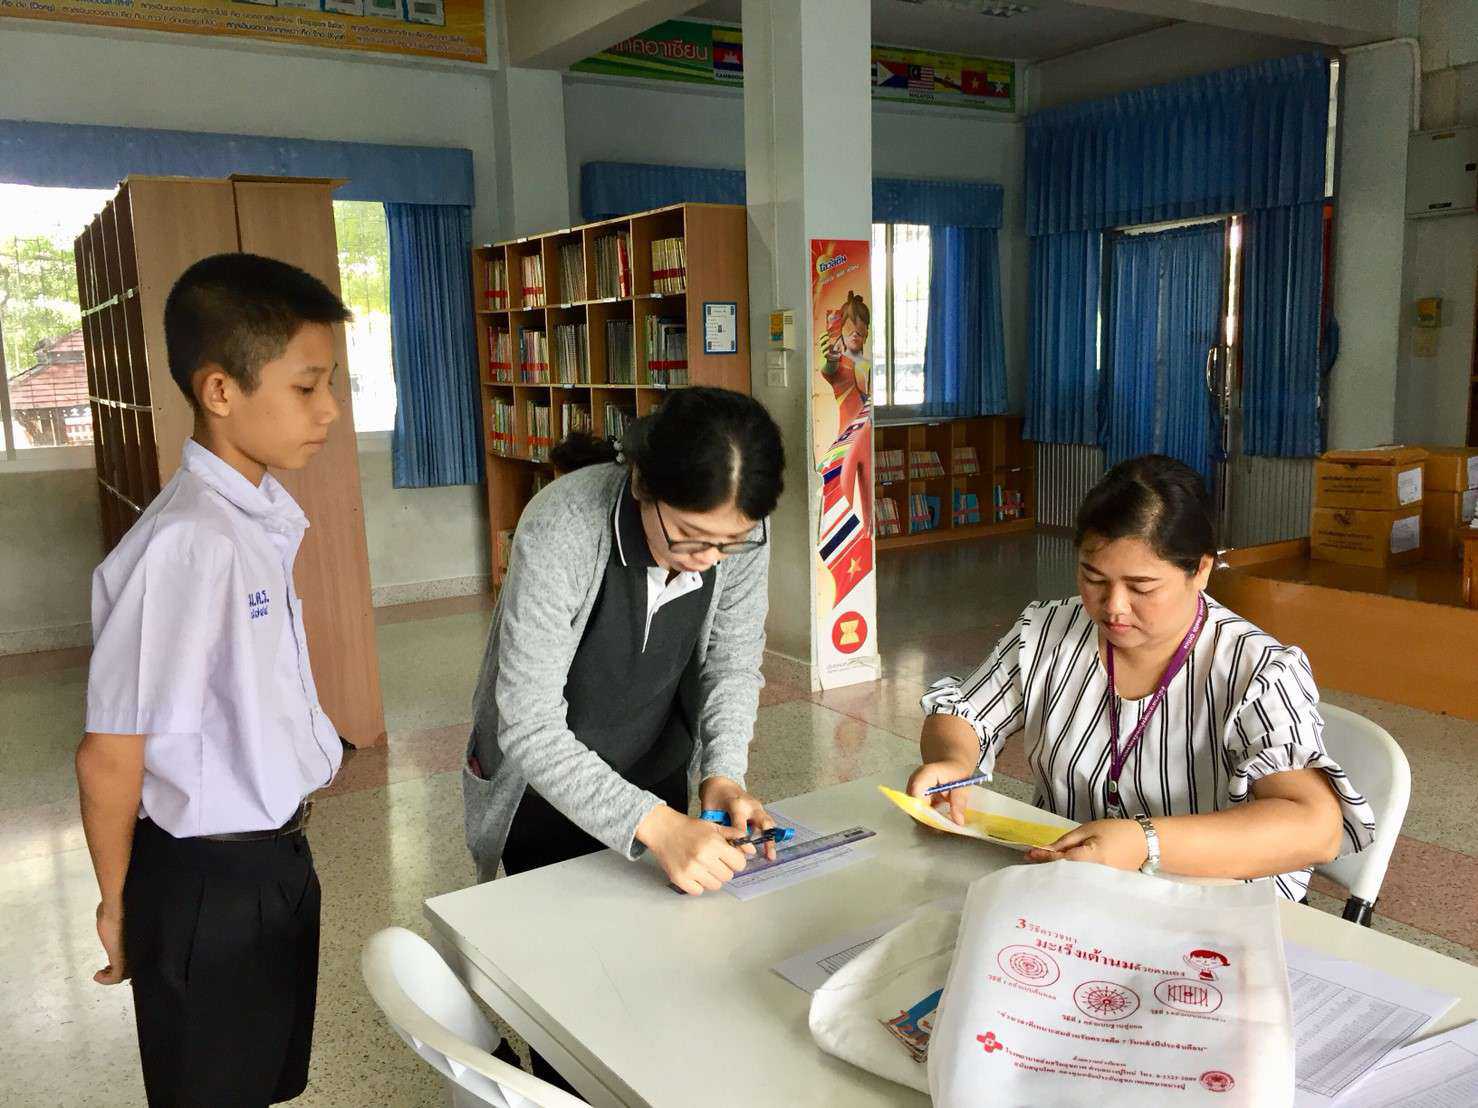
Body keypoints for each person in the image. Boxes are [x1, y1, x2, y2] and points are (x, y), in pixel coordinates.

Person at [76, 253, 349, 1106]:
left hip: (274, 861)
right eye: (306, 387)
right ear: (220, 390)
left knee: (258, 1084)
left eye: (331, 385)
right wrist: (118, 905)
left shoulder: (253, 519)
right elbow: (110, 752)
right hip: (206, 885)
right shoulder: (188, 542)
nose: (329, 410)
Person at [908, 455, 1375, 901]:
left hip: (1207, 907)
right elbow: (965, 713)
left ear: (1201, 570)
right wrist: (953, 761)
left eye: (1141, 587)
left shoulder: (1255, 669)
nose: (1113, 607)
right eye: (1094, 578)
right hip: (1068, 891)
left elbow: (1315, 827)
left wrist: (1144, 842)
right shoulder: (1047, 631)